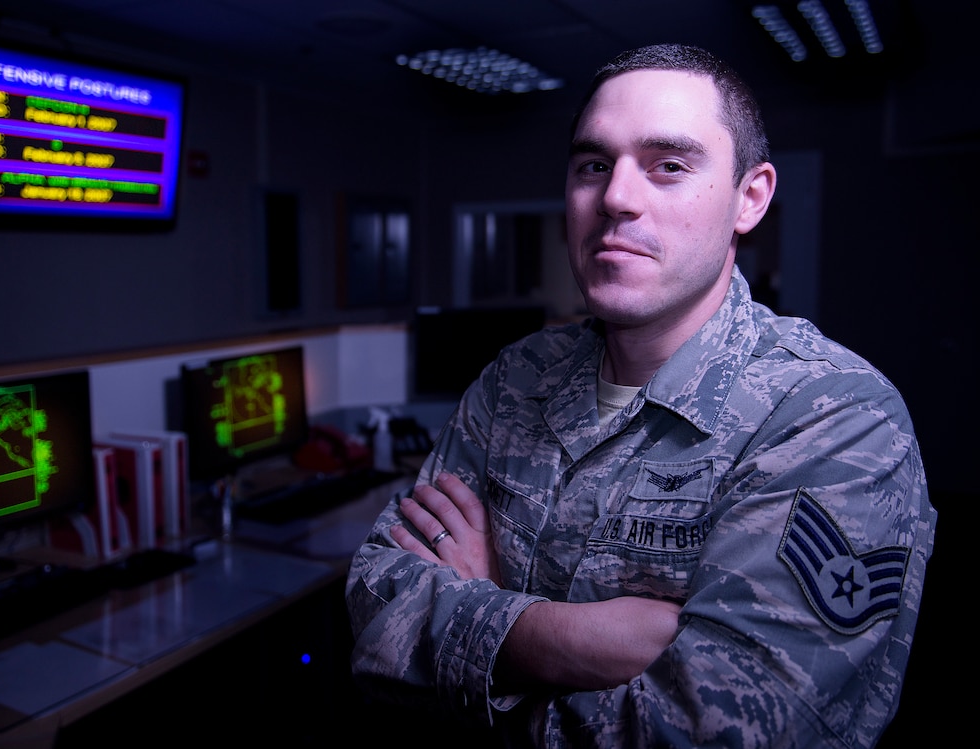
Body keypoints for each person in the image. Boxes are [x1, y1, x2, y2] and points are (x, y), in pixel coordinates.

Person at [344, 43, 936, 747]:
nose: (617, 197)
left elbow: (726, 732)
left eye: (670, 166)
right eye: (594, 165)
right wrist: (562, 633)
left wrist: (479, 651)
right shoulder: (516, 379)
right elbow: (375, 595)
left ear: (751, 197)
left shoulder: (831, 416)